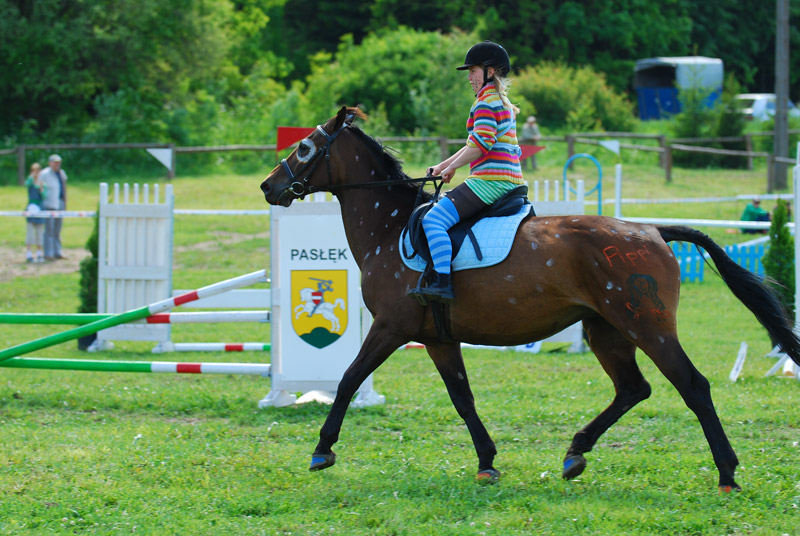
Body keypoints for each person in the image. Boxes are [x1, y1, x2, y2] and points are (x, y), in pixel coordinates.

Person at [413, 40, 525, 303]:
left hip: (491, 182)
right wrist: (443, 166)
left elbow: (480, 145)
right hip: (510, 181)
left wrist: (450, 167)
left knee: (432, 220)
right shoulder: (501, 100)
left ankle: (442, 283)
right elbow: (473, 144)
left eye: (473, 71)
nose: (469, 77)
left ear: (490, 71)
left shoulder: (486, 102)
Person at [40, 154, 68, 260]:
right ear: (50, 163)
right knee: (49, 230)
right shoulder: (44, 174)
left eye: (58, 162)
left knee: (57, 229)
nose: (57, 164)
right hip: (49, 204)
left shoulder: (61, 173)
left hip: (60, 203)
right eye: (55, 162)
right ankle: (48, 253)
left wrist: (65, 202)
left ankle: (57, 251)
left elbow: (64, 187)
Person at [24, 162, 46, 263]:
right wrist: (31, 177)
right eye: (34, 171)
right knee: (30, 232)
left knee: (40, 232)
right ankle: (29, 253)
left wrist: (41, 189)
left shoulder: (42, 183)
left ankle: (39, 253)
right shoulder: (30, 182)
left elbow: (45, 196)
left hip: (40, 208)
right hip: (31, 207)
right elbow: (26, 184)